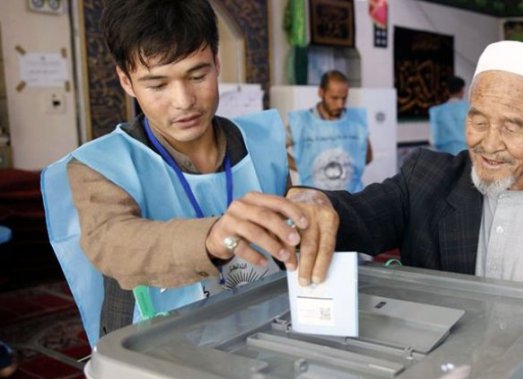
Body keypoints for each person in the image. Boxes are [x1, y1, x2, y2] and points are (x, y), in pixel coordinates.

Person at [289, 41, 523, 379]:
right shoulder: (425, 181)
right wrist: (313, 201)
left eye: (511, 128)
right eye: (477, 120)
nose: (489, 144)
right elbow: (356, 215)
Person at [41, 0, 333, 347]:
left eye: (198, 75)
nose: (183, 101)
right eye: (157, 85)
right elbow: (113, 244)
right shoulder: (101, 165)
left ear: (217, 63)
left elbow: (293, 205)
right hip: (157, 354)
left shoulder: (261, 140)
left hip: (267, 335)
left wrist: (306, 197)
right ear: (126, 80)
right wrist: (210, 239)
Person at [287, 70, 372, 192]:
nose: (340, 104)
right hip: (314, 199)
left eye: (344, 98)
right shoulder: (302, 122)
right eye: (334, 98)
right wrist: (302, 166)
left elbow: (367, 157)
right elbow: (277, 149)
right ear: (321, 92)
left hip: (352, 198)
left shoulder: (355, 121)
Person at [428, 76, 469, 155]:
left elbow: (432, 140)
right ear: (462, 91)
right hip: (466, 156)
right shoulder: (470, 110)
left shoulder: (436, 111)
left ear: (447, 91)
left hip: (445, 157)